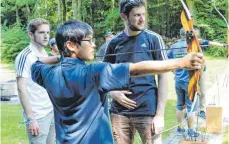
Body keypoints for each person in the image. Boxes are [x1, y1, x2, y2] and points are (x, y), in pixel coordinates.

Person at [31, 19, 204, 144]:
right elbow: (136, 68)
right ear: (71, 45)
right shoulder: (94, 72)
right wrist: (181, 63)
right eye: (89, 40)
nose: (93, 44)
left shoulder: (46, 74)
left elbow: (36, 63)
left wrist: (60, 58)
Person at [102, 0, 168, 144]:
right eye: (137, 15)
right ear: (124, 17)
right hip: (119, 112)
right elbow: (102, 74)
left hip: (148, 110)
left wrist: (160, 115)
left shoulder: (153, 39)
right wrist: (113, 92)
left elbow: (163, 76)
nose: (142, 19)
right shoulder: (113, 43)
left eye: (143, 14)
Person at [167, 26, 224, 137]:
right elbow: (201, 63)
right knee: (191, 107)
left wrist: (176, 73)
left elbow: (168, 62)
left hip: (178, 81)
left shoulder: (174, 46)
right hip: (190, 82)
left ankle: (179, 128)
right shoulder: (193, 46)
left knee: (179, 105)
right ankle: (191, 130)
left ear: (180, 35)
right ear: (190, 35)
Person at [15, 18, 55, 144]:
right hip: (37, 116)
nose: (46, 36)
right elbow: (21, 89)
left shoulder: (46, 55)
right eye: (41, 32)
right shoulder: (25, 56)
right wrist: (31, 118)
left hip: (51, 112)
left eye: (48, 33)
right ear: (31, 35)